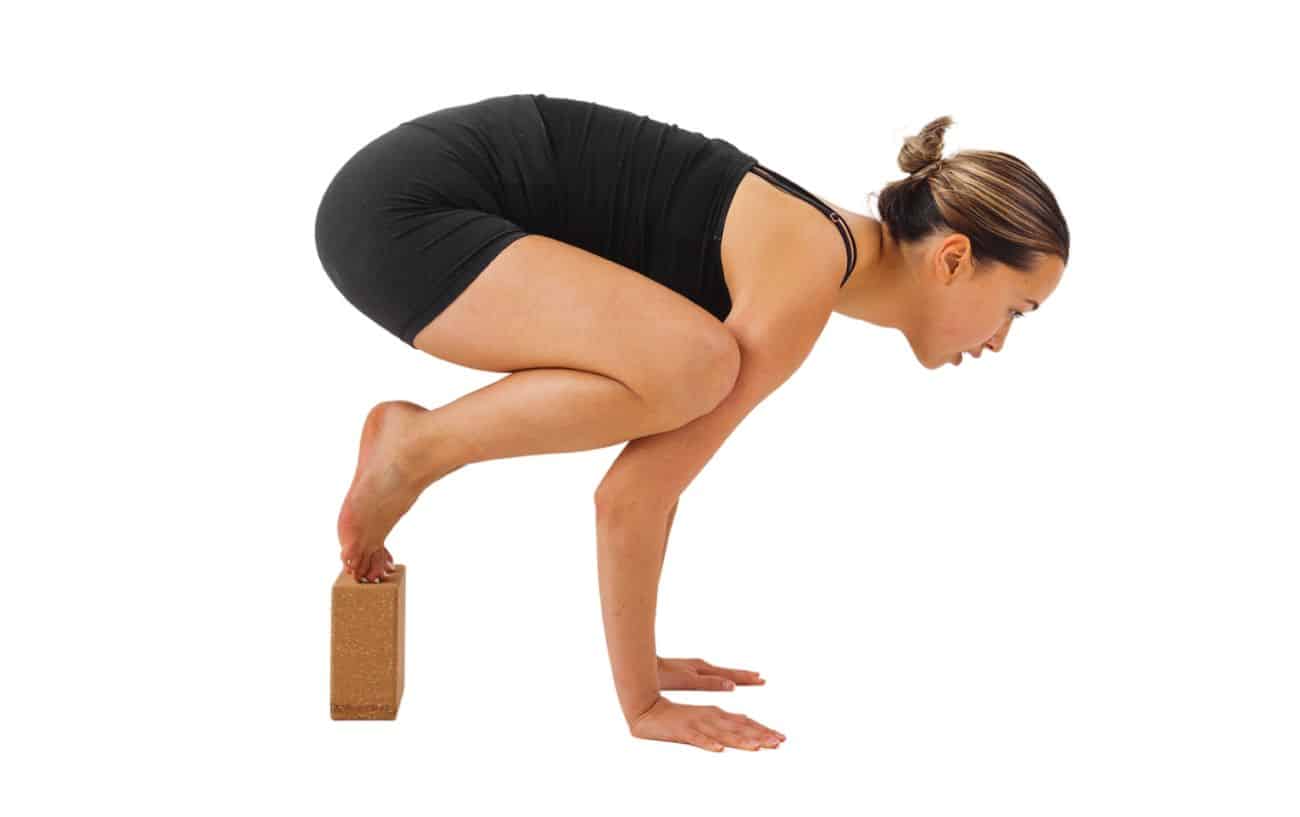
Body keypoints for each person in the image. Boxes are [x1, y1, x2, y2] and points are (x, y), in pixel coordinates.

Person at [313, 93, 1069, 752]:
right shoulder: (806, 272)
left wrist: (648, 659)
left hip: (420, 205)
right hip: (402, 213)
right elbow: (631, 497)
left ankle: (417, 444)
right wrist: (643, 701)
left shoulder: (817, 253)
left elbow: (656, 480)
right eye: (1015, 309)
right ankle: (415, 447)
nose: (1000, 340)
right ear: (954, 258)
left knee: (696, 369)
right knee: (701, 365)